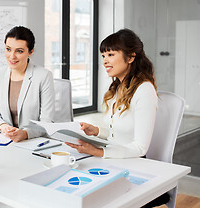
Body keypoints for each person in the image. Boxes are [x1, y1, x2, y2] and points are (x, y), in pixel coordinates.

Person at [66, 29, 158, 158]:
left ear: (130, 57)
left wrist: (97, 152)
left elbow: (140, 148)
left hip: (133, 162)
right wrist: (96, 131)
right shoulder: (117, 88)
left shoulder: (144, 90)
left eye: (110, 55)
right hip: (113, 157)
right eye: (103, 56)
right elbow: (117, 135)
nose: (104, 61)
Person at [0, 26, 54, 142]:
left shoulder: (43, 76)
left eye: (19, 51)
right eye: (8, 49)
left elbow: (47, 122)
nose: (12, 56)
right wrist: (3, 126)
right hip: (5, 140)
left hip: (33, 141)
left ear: (30, 52)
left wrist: (24, 134)